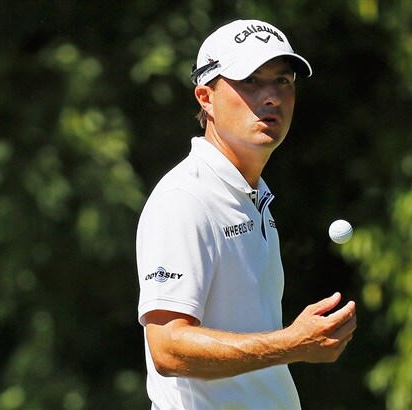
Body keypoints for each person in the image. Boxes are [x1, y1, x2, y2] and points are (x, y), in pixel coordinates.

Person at [136, 19, 357, 409]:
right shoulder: (185, 197)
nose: (271, 96)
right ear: (206, 98)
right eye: (250, 81)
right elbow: (167, 347)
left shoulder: (252, 195)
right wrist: (293, 343)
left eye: (282, 81)